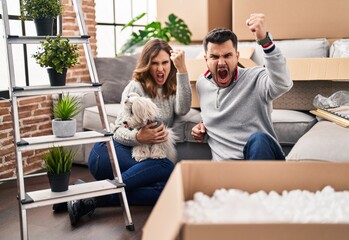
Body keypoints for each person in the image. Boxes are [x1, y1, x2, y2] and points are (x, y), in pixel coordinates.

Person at [66, 38, 192, 225]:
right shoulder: (136, 87)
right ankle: (89, 195)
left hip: (139, 161)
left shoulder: (170, 87)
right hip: (108, 154)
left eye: (165, 63)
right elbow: (116, 130)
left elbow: (183, 108)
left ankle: (88, 196)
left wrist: (182, 71)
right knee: (165, 167)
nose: (160, 69)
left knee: (168, 190)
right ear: (146, 65)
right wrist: (138, 137)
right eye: (155, 64)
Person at [191, 13, 293, 160]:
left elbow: (283, 84)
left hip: (261, 159)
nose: (221, 63)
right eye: (214, 57)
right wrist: (202, 126)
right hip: (226, 170)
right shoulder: (202, 84)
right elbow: (214, 113)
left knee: (258, 139)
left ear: (237, 56)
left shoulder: (256, 78)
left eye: (227, 55)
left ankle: (257, 182)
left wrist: (265, 40)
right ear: (206, 59)